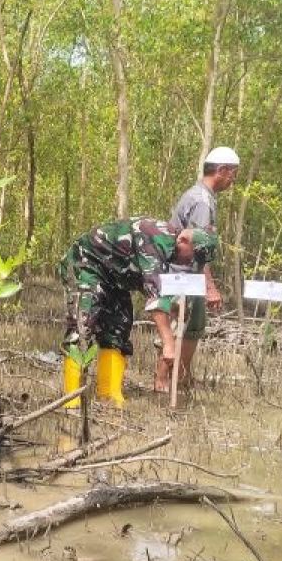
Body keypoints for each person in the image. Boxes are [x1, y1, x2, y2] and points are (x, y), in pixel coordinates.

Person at [58, 217, 218, 406]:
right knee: (83, 326)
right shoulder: (153, 239)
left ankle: (109, 394)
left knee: (119, 327)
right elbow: (155, 298)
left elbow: (156, 286)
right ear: (183, 240)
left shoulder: (170, 248)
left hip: (115, 278)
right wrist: (168, 343)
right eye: (191, 256)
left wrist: (173, 307)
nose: (190, 261)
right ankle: (71, 398)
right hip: (87, 265)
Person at [165, 145, 239, 384]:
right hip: (185, 277)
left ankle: (177, 380)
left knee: (187, 327)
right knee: (184, 330)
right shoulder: (202, 201)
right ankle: (171, 382)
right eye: (232, 173)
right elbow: (197, 247)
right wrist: (210, 287)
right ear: (221, 170)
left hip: (182, 276)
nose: (233, 180)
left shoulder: (198, 196)